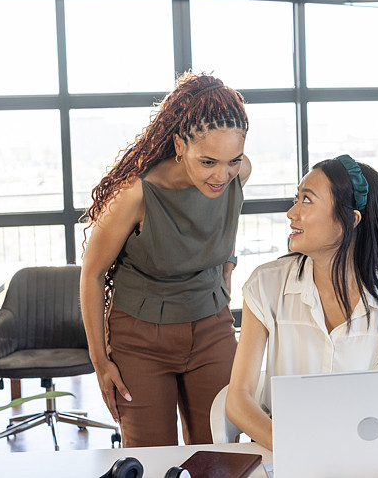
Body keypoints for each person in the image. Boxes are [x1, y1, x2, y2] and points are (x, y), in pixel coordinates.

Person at [80, 72, 251, 447]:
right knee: (151, 460)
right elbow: (91, 275)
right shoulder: (136, 195)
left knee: (220, 456)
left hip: (212, 328)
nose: (221, 175)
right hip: (140, 339)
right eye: (208, 162)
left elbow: (225, 225)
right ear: (179, 144)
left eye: (232, 161)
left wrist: (225, 273)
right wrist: (100, 361)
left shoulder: (238, 175)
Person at [226, 155, 378, 450]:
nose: (291, 213)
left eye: (307, 201)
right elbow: (238, 399)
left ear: (350, 219)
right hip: (283, 451)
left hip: (365, 452)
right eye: (295, 199)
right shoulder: (266, 284)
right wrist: (296, 450)